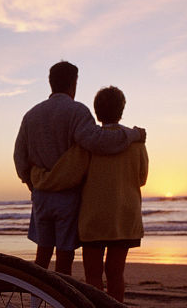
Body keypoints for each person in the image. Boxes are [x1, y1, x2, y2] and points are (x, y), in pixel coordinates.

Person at [13, 62, 145, 278]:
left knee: (42, 256)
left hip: (41, 195)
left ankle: (34, 307)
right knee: (64, 260)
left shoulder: (31, 115)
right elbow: (99, 142)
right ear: (73, 83)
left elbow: (20, 157)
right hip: (67, 196)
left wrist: (32, 183)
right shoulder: (77, 111)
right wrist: (133, 135)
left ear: (51, 82)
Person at [32, 86, 148, 302]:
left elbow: (69, 173)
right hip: (125, 218)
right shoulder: (137, 143)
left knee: (93, 276)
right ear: (122, 109)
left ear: (96, 112)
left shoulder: (88, 144)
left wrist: (38, 175)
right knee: (116, 274)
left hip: (94, 218)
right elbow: (141, 178)